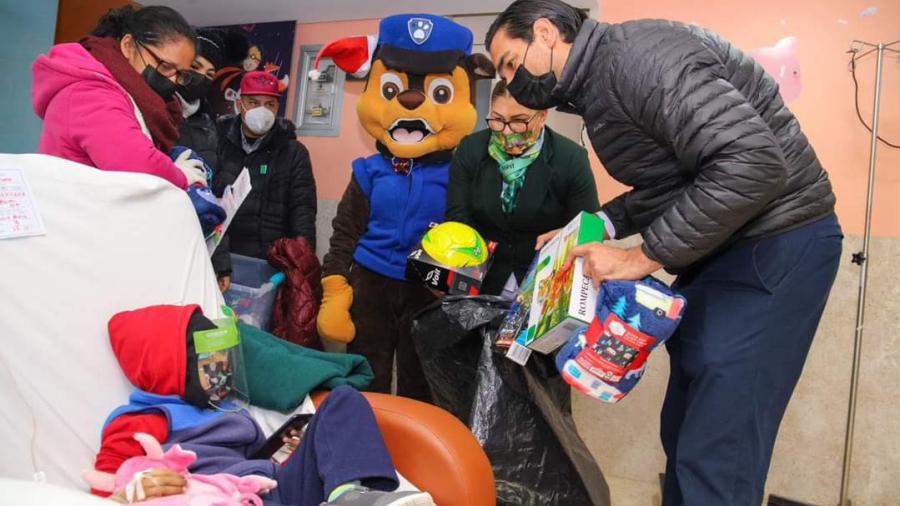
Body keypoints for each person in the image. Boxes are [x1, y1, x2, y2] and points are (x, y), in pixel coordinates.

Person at [485, 2, 842, 505]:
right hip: (722, 249)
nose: (510, 79)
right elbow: (677, 180)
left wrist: (640, 257)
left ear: (545, 32)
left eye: (509, 62)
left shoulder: (636, 57)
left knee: (717, 450)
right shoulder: (600, 82)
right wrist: (596, 225)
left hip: (775, 245)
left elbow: (752, 163)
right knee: (684, 434)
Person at [314, 14, 495, 401]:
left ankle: (415, 453)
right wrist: (334, 289)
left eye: (439, 93)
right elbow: (344, 233)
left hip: (426, 290)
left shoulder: (460, 173)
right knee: (368, 376)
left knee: (422, 382)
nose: (411, 102)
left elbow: (470, 235)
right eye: (394, 88)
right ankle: (365, 448)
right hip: (371, 283)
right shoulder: (368, 170)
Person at [94, 304, 436, 506]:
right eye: (209, 359)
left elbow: (251, 459)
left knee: (344, 400)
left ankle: (350, 497)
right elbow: (100, 490)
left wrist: (294, 449)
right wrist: (127, 495)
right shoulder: (141, 421)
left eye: (223, 356)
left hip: (274, 488)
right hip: (222, 498)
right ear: (167, 365)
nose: (222, 367)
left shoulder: (221, 406)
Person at [446, 80, 599, 296]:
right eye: (498, 120)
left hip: (543, 282)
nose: (507, 132)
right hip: (482, 277)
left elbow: (588, 226)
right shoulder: (471, 149)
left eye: (519, 121)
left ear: (542, 116)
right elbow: (457, 216)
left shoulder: (570, 159)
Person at [32, 5, 207, 189]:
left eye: (182, 74)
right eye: (165, 66)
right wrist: (178, 176)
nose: (173, 80)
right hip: (74, 211)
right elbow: (137, 163)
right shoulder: (90, 93)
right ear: (129, 46)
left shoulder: (130, 93)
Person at [213, 71, 316, 262]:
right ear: (239, 104)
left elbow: (303, 212)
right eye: (253, 102)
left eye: (270, 104)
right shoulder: (218, 142)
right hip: (220, 254)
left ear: (277, 108)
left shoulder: (293, 152)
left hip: (270, 261)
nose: (262, 110)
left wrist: (302, 262)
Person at [173, 28, 232, 292]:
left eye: (209, 74)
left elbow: (215, 195)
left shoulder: (208, 125)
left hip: (197, 240)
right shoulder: (154, 109)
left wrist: (220, 263)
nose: (201, 77)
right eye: (196, 66)